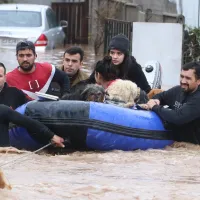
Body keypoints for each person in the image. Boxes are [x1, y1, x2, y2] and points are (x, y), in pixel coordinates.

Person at [146, 61, 200, 144]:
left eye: (188, 78)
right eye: (182, 76)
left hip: (192, 147)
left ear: (198, 81)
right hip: (174, 141)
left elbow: (178, 118)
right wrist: (156, 100)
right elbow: (159, 96)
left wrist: (155, 107)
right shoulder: (178, 90)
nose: (183, 81)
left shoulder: (198, 99)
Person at [6, 41, 70, 99]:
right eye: (21, 56)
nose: (25, 59)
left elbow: (64, 78)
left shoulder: (47, 69)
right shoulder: (8, 79)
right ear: (16, 57)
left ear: (35, 56)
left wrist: (65, 96)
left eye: (28, 55)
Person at [0, 104, 65, 147]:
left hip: (5, 155)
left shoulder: (3, 110)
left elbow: (29, 123)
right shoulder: (3, 110)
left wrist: (51, 136)